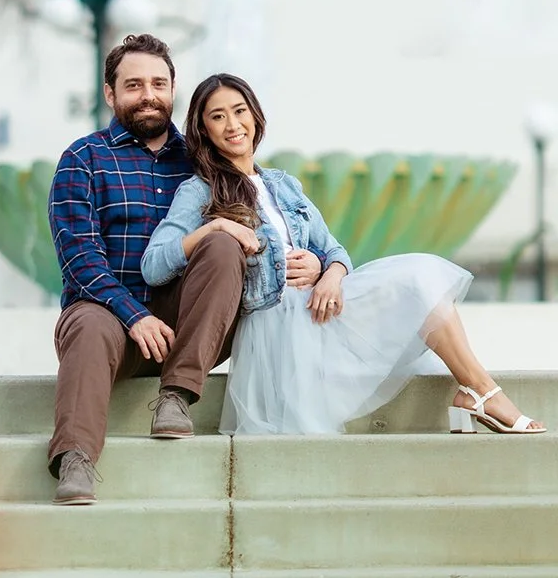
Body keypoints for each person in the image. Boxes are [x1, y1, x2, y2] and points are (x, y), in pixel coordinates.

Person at [141, 74, 547, 436]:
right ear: (204, 129)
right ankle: (484, 395)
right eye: (217, 117)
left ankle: (478, 391)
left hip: (319, 307)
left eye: (239, 111)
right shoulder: (198, 192)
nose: (232, 125)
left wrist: (328, 272)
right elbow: (154, 263)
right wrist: (216, 226)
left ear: (255, 116)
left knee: (420, 279)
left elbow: (335, 250)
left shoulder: (284, 184)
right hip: (274, 322)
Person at [45, 35, 322, 505]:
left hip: (192, 323)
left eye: (158, 83)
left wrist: (317, 261)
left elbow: (277, 222)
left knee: (220, 241)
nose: (148, 94)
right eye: (133, 85)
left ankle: (176, 396)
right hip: (108, 315)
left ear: (173, 90)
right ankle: (75, 459)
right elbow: (79, 258)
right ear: (110, 93)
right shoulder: (84, 159)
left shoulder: (204, 160)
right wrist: (134, 315)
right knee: (90, 324)